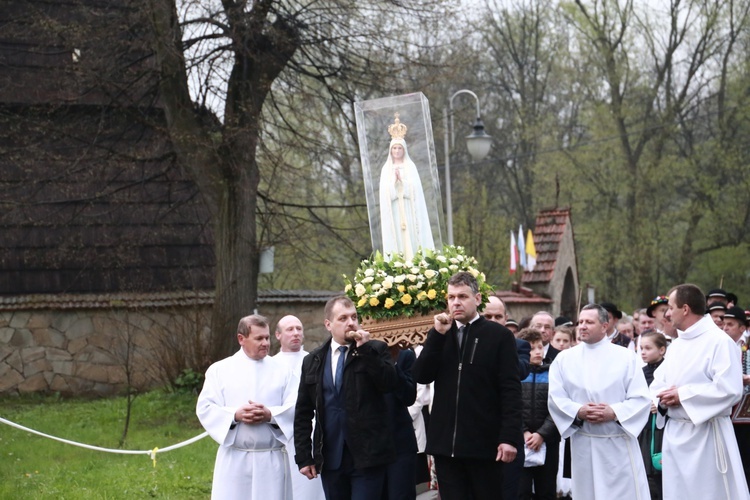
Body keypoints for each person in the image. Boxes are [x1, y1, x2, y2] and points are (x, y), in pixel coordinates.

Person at [412, 271, 522, 500]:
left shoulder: (498, 336)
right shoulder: (442, 334)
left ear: (478, 299)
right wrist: (437, 336)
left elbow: (510, 389)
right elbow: (421, 375)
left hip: (484, 444)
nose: (456, 302)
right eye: (451, 298)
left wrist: (509, 437)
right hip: (446, 446)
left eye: (462, 296)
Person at [650, 284, 749, 500]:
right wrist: (663, 399)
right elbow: (658, 384)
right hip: (675, 435)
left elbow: (730, 389)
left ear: (685, 309)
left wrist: (682, 395)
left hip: (707, 436)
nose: (666, 314)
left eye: (670, 307)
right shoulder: (677, 344)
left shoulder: (719, 342)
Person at [294, 296, 397, 500]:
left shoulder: (375, 350)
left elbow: (389, 384)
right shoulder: (313, 360)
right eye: (343, 318)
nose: (351, 323)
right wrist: (304, 456)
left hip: (367, 456)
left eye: (354, 317)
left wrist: (365, 350)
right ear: (328, 324)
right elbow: (303, 412)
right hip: (331, 457)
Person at [548, 304, 651, 499]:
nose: (583, 326)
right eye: (581, 322)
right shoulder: (564, 359)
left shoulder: (626, 357)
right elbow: (555, 397)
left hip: (617, 443)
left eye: (589, 322)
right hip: (583, 443)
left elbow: (641, 399)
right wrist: (579, 411)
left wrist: (614, 412)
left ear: (605, 326)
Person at [197, 315, 296, 500]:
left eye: (267, 337)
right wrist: (234, 414)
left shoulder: (283, 371)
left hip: (270, 459)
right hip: (235, 459)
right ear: (241, 339)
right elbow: (205, 407)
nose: (266, 343)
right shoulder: (220, 370)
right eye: (259, 338)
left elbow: (296, 407)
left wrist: (270, 414)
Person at [272, 315, 326, 500]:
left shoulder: (315, 361)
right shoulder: (271, 365)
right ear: (278, 335)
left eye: (299, 328)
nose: (296, 333)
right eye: (289, 329)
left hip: (312, 433)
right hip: (282, 435)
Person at [484, 295, 531, 500]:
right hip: (477, 435)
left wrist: (499, 347)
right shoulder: (467, 343)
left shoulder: (519, 345)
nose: (493, 321)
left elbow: (520, 371)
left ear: (506, 319)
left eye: (498, 316)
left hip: (508, 432)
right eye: (488, 317)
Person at [379, 114, 434, 260]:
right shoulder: (386, 169)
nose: (397, 151)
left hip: (409, 210)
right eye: (394, 148)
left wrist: (402, 182)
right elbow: (385, 195)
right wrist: (394, 184)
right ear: (391, 150)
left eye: (399, 148)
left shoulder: (410, 166)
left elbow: (416, 191)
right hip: (396, 210)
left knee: (411, 237)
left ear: (404, 150)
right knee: (398, 237)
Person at [517, 328, 559, 500]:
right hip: (520, 441)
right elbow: (511, 406)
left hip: (548, 441)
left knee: (546, 490)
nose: (537, 352)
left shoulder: (554, 373)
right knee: (521, 491)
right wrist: (524, 432)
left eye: (540, 347)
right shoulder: (515, 374)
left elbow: (558, 407)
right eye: (531, 348)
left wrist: (542, 434)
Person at [637, 331, 667, 499]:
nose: (643, 352)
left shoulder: (669, 370)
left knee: (662, 473)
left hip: (662, 430)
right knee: (647, 473)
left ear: (662, 350)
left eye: (648, 348)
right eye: (641, 348)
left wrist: (661, 405)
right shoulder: (640, 373)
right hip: (645, 429)